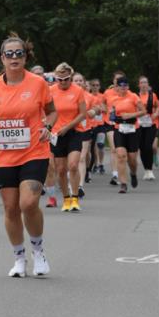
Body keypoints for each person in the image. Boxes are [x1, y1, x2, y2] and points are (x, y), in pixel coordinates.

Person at [0, 34, 56, 277]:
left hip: (34, 151)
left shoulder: (38, 83)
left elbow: (52, 113)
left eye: (19, 53)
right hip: (4, 155)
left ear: (25, 56)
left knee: (29, 203)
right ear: (2, 58)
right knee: (11, 208)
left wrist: (48, 127)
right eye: (9, 54)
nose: (14, 57)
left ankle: (39, 251)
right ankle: (19, 258)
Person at [49, 63, 87, 212]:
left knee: (73, 165)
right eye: (60, 79)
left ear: (71, 77)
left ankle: (75, 198)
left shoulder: (77, 90)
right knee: (60, 169)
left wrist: (67, 127)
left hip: (73, 132)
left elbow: (82, 113)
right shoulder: (50, 91)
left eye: (66, 79)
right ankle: (66, 199)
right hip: (57, 135)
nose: (63, 82)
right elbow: (45, 111)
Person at [110, 77, 145, 194]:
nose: (123, 87)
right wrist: (114, 117)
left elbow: (143, 111)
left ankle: (133, 173)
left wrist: (130, 115)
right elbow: (112, 115)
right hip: (119, 129)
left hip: (133, 129)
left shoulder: (134, 96)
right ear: (117, 87)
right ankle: (123, 183)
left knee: (132, 159)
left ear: (128, 87)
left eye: (125, 85)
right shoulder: (114, 99)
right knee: (120, 156)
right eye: (121, 85)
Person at [72, 73, 97, 195]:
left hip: (85, 129)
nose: (78, 82)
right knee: (71, 161)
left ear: (83, 82)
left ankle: (80, 186)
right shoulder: (67, 94)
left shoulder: (89, 96)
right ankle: (72, 181)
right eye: (75, 80)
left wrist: (93, 111)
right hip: (70, 130)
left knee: (81, 158)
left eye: (80, 80)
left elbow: (96, 109)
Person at [137, 75, 159, 180]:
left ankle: (150, 170)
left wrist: (156, 114)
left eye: (145, 82)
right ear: (138, 85)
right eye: (142, 83)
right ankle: (146, 170)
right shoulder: (135, 96)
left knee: (148, 146)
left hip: (151, 124)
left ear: (148, 84)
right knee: (142, 148)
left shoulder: (153, 95)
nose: (143, 85)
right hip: (139, 124)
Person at [87, 78, 107, 175]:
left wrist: (101, 108)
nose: (95, 87)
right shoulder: (88, 96)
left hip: (101, 124)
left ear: (99, 86)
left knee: (101, 144)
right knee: (92, 146)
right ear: (90, 86)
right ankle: (96, 164)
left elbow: (106, 109)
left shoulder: (102, 96)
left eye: (97, 85)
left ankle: (101, 164)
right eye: (93, 85)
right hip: (91, 124)